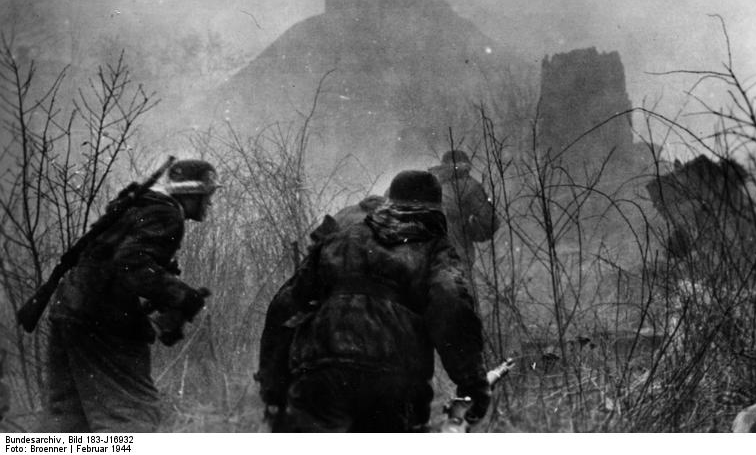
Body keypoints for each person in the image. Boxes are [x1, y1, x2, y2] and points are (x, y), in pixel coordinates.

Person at [256, 170, 490, 432]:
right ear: (437, 210)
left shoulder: (341, 240)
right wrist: (473, 385)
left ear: (390, 202)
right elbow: (453, 311)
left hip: (320, 376)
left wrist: (273, 387)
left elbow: (284, 307)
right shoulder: (435, 249)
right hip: (393, 383)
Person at [41, 159, 220, 432]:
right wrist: (183, 297)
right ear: (192, 193)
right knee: (131, 415)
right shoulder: (167, 214)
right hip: (102, 322)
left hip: (69, 310)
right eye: (208, 195)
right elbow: (130, 264)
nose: (210, 202)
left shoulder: (140, 207)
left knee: (68, 418)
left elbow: (116, 264)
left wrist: (163, 288)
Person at [428, 150, 499, 267]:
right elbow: (489, 222)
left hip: (429, 256)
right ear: (466, 165)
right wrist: (469, 227)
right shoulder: (470, 186)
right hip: (457, 255)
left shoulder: (430, 185)